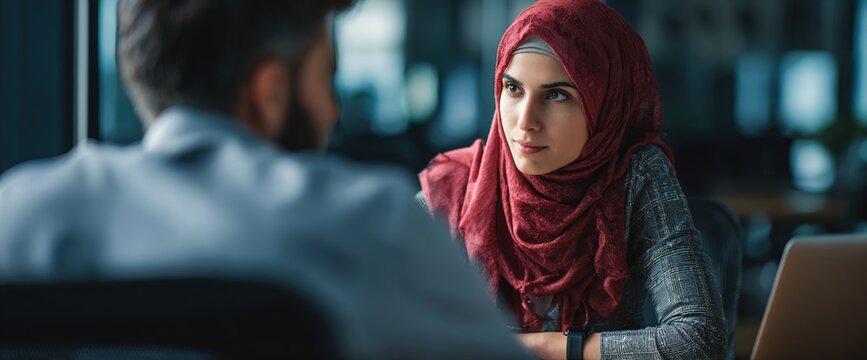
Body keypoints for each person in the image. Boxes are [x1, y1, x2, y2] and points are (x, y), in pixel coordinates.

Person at [0, 1, 530, 359]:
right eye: (326, 78)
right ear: (270, 91)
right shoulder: (374, 227)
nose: (331, 113)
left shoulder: (16, 214)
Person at [418, 0, 726, 359]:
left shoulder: (634, 175)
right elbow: (385, 328)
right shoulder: (453, 188)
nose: (525, 121)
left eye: (556, 95)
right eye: (513, 89)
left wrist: (546, 348)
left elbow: (698, 340)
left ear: (604, 105)